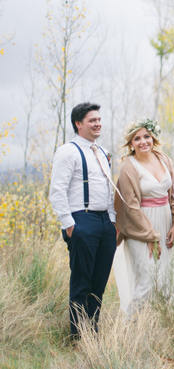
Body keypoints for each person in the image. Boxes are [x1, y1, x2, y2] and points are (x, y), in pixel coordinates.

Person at [49, 102, 117, 339]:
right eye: (92, 120)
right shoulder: (68, 151)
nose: (98, 124)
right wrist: (69, 225)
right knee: (81, 282)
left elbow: (108, 190)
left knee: (99, 282)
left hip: (104, 223)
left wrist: (113, 222)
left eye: (99, 119)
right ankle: (77, 336)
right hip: (81, 221)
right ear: (78, 124)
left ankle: (92, 332)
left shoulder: (103, 151)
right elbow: (57, 190)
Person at [113, 119, 174, 315]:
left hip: (165, 224)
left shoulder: (163, 159)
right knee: (146, 281)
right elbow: (130, 206)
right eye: (137, 138)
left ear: (153, 138)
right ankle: (129, 328)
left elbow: (172, 194)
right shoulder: (128, 167)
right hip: (140, 227)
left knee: (170, 278)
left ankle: (161, 326)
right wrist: (149, 236)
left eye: (146, 136)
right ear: (131, 143)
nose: (143, 142)